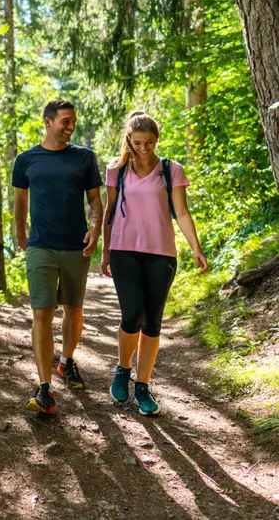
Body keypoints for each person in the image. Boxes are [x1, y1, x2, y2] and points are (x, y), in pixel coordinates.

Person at [100, 110, 208, 416]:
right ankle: (123, 369)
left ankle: (143, 386)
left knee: (152, 321)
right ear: (129, 140)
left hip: (162, 253)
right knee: (131, 313)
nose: (143, 148)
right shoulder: (117, 170)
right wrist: (105, 252)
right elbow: (109, 214)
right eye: (137, 142)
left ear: (156, 139)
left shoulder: (170, 170)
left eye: (149, 142)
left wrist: (196, 248)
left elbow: (182, 214)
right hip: (124, 250)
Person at [13, 99, 104, 416]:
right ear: (48, 122)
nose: (70, 126)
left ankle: (66, 361)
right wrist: (21, 235)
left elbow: (95, 199)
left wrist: (95, 229)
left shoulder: (84, 158)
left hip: (77, 246)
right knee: (42, 313)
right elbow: (20, 201)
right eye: (65, 121)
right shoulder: (26, 160)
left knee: (74, 311)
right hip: (41, 246)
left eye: (73, 121)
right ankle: (44, 388)